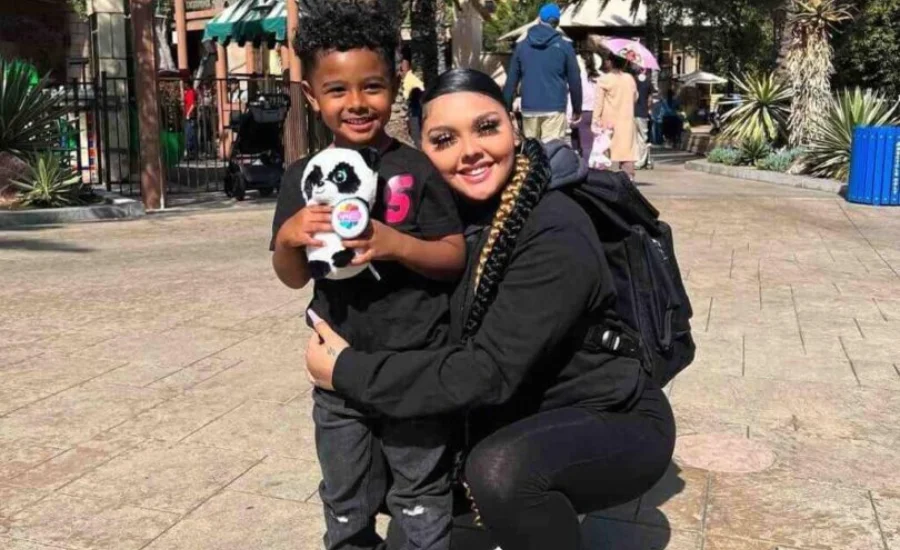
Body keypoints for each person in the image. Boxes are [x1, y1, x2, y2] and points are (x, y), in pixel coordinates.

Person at [305, 68, 676, 550]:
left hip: (608, 416)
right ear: (422, 150)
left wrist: (347, 371)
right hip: (510, 410)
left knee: (501, 472)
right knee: (378, 454)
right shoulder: (437, 221)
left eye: (486, 127)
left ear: (513, 128)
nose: (470, 151)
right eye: (444, 139)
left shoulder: (556, 228)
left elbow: (487, 371)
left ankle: (539, 506)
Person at [271, 2, 466, 548]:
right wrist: (288, 238)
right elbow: (292, 276)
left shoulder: (417, 169)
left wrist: (393, 243)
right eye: (336, 90)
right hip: (339, 370)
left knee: (420, 494)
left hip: (416, 367)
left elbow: (453, 255)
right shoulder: (302, 179)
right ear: (312, 96)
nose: (356, 103)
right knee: (345, 494)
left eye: (372, 86)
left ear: (396, 84)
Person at [502, 3, 582, 143]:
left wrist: (506, 107)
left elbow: (511, 80)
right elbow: (575, 80)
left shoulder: (521, 46)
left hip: (529, 108)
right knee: (553, 150)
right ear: (557, 22)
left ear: (539, 19)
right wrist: (577, 109)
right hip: (555, 107)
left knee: (534, 151)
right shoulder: (565, 47)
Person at [593, 55, 638, 178]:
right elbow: (635, 98)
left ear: (610, 62)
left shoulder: (604, 80)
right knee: (627, 154)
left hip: (608, 124)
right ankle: (629, 179)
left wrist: (595, 120)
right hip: (627, 122)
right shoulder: (630, 79)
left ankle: (604, 181)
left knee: (604, 155)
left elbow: (598, 103)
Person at [569, 51, 603, 162]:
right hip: (596, 112)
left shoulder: (576, 75)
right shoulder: (601, 76)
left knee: (577, 143)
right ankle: (588, 165)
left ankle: (580, 166)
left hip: (579, 111)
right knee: (590, 144)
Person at [399, 57, 426, 148]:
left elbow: (406, 97)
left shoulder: (409, 79)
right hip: (417, 104)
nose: (400, 73)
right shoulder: (410, 78)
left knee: (415, 130)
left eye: (402, 70)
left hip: (416, 105)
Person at [632, 67, 653, 169]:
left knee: (635, 137)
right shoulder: (648, 82)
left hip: (633, 112)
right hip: (643, 113)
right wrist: (649, 109)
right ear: (644, 70)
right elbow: (650, 100)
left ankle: (637, 159)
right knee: (643, 138)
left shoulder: (633, 81)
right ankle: (642, 161)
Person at [182, 78, 198, 159]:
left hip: (190, 117)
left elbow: (193, 104)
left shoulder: (191, 92)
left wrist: (188, 113)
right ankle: (190, 153)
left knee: (190, 134)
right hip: (188, 116)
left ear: (188, 84)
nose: (183, 85)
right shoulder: (187, 92)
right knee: (189, 134)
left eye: (185, 83)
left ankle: (191, 153)